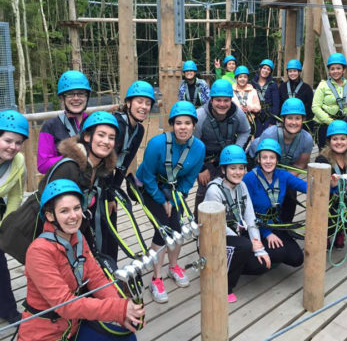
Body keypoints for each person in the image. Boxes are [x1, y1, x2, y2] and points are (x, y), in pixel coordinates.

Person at [18, 179, 144, 341]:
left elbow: (97, 279)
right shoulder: (39, 252)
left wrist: (123, 315)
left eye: (77, 208)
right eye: (64, 211)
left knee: (127, 338)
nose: (73, 216)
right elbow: (65, 304)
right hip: (44, 333)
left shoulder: (78, 238)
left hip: (73, 327)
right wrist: (119, 308)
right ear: (50, 215)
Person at [19, 110, 120, 261]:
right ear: (87, 137)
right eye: (101, 135)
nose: (106, 141)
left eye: (111, 138)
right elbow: (50, 209)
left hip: (69, 227)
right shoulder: (69, 167)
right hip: (43, 233)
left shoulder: (97, 168)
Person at [136, 101, 205, 303]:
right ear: (172, 125)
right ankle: (156, 278)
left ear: (194, 125)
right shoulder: (157, 144)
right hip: (149, 187)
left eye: (187, 123)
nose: (182, 127)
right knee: (163, 229)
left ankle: (173, 266)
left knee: (177, 228)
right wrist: (160, 200)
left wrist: (174, 200)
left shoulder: (198, 148)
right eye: (178, 123)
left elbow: (189, 178)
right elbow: (147, 175)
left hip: (173, 189)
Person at [204, 145, 270, 303]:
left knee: (260, 265)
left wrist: (257, 244)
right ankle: (224, 286)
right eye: (233, 168)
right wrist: (247, 244)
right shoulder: (215, 190)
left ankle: (227, 267)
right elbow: (217, 225)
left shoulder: (242, 186)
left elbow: (250, 216)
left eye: (241, 168)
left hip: (234, 235)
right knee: (244, 246)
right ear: (223, 170)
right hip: (213, 238)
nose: (238, 172)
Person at [243, 139, 307, 268]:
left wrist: (333, 185)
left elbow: (307, 187)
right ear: (258, 160)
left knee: (297, 259)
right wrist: (266, 234)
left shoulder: (283, 176)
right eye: (264, 157)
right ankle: (251, 256)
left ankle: (270, 252)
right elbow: (245, 212)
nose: (268, 161)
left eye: (272, 157)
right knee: (278, 254)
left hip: (275, 224)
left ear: (277, 160)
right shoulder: (249, 179)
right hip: (254, 227)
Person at [248, 98, 313, 223]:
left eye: (297, 118)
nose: (293, 122)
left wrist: (282, 180)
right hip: (258, 163)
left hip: (283, 169)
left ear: (303, 120)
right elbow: (260, 163)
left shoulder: (307, 139)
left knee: (290, 193)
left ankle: (284, 226)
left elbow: (299, 165)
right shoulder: (270, 134)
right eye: (290, 118)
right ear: (283, 119)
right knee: (260, 192)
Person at [193, 79, 251, 210]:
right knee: (204, 190)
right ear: (211, 100)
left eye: (226, 100)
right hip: (205, 159)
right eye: (218, 100)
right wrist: (201, 169)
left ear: (231, 100)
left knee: (230, 188)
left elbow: (245, 131)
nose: (222, 104)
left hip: (228, 156)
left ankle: (229, 220)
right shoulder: (200, 116)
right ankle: (200, 222)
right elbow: (192, 144)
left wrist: (236, 151)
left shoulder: (237, 113)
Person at [0, 110, 29, 324]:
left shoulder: (18, 161)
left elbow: (16, 194)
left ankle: (8, 310)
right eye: (7, 140)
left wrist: (4, 227)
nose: (13, 146)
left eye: (18, 142)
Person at [37, 70, 91, 174]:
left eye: (81, 93)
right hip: (65, 182)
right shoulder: (51, 126)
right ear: (62, 98)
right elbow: (43, 166)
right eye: (70, 94)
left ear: (87, 97)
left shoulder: (93, 123)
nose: (76, 98)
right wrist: (73, 156)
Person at [113, 80, 155, 188]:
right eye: (139, 102)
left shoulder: (139, 130)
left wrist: (115, 189)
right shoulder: (117, 125)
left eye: (148, 103)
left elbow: (125, 163)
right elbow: (104, 162)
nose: (144, 106)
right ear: (128, 103)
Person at [312, 53, 347, 150]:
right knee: (326, 151)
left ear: (344, 70)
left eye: (338, 68)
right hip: (326, 122)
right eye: (332, 69)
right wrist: (329, 121)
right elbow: (315, 107)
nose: (335, 71)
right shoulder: (323, 85)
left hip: (346, 121)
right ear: (329, 71)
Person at [279, 59, 314, 131]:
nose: (292, 73)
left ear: (299, 72)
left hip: (301, 122)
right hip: (286, 121)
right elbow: (279, 103)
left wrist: (306, 124)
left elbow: (310, 107)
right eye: (290, 71)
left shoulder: (306, 88)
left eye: (295, 71)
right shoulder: (282, 87)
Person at [232, 65, 261, 145]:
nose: (242, 79)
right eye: (240, 77)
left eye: (245, 77)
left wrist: (250, 108)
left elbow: (258, 107)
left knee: (249, 140)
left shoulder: (253, 91)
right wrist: (238, 108)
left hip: (250, 120)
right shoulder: (231, 91)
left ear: (248, 79)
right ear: (236, 78)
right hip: (235, 120)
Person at [252, 59, 280, 137]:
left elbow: (276, 103)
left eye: (268, 69)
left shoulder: (272, 84)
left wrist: (273, 121)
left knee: (268, 137)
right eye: (264, 68)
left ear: (270, 72)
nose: (266, 71)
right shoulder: (253, 83)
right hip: (256, 115)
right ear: (260, 69)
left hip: (269, 115)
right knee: (257, 138)